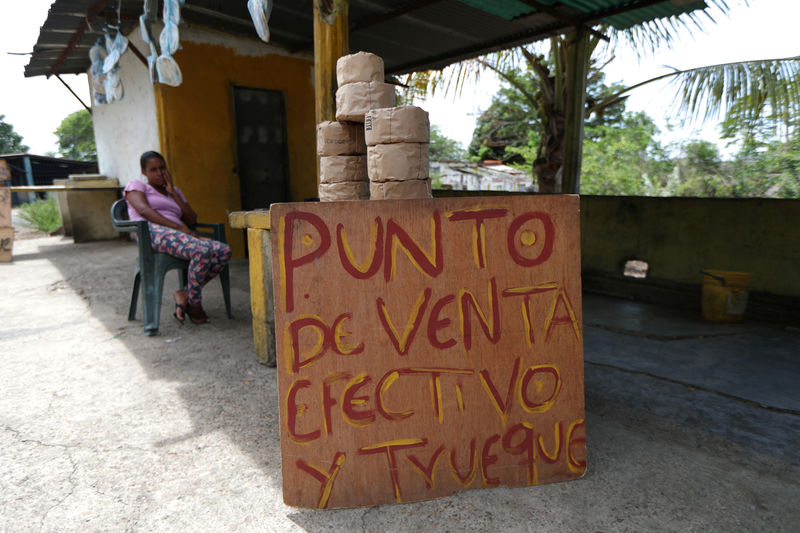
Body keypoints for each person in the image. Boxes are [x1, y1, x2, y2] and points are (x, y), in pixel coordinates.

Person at [124, 150, 231, 325]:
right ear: (144, 172)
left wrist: (173, 193)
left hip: (180, 234)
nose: (159, 173)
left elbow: (192, 218)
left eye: (162, 168)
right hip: (153, 233)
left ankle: (185, 294)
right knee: (202, 250)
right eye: (153, 169)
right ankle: (195, 305)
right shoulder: (137, 185)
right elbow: (143, 210)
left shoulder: (174, 191)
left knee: (223, 251)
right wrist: (179, 228)